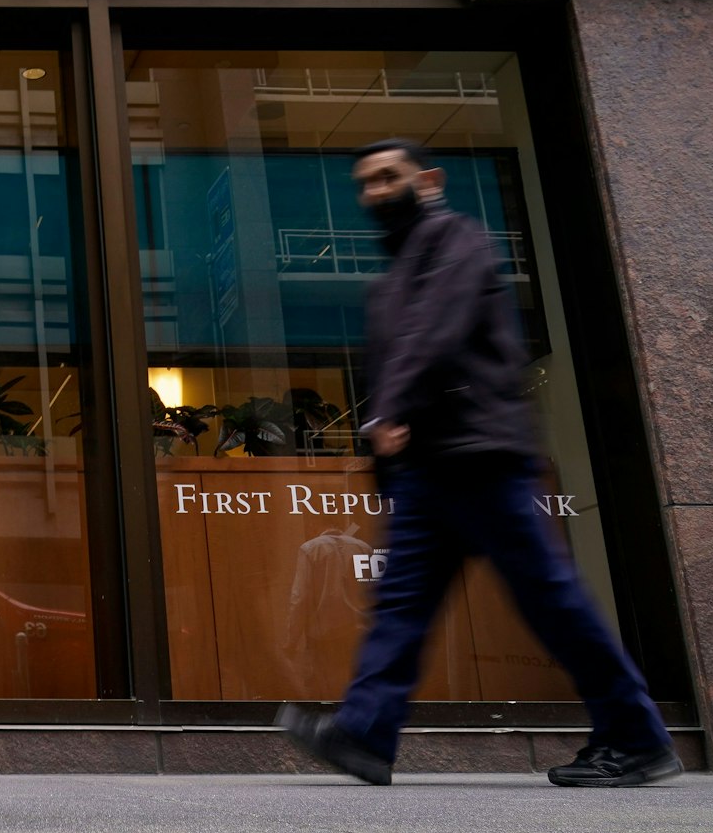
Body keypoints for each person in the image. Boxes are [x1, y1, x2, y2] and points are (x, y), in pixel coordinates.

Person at [279, 138, 679, 788]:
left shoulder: (456, 239)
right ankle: (366, 733)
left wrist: (388, 410)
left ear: (428, 179)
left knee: (550, 599)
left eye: (389, 177)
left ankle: (637, 737)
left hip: (480, 456)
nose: (376, 192)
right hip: (429, 469)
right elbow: (403, 348)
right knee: (401, 604)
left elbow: (435, 329)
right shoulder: (392, 276)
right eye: (366, 183)